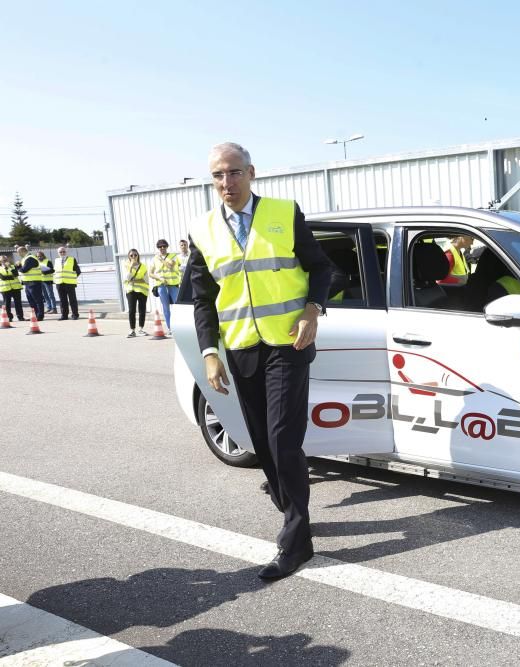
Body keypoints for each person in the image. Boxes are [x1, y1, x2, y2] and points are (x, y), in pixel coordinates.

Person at [189, 142, 336, 580]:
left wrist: (313, 310)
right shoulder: (204, 230)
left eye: (233, 173)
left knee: (282, 438)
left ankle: (295, 543)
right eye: (217, 175)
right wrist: (210, 353)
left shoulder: (283, 213)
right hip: (241, 348)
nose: (226, 183)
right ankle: (295, 510)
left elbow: (322, 268)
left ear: (251, 173)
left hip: (288, 343)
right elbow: (202, 300)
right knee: (262, 442)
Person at [150, 239, 181, 332]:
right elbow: (150, 273)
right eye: (160, 247)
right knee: (166, 308)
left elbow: (170, 266)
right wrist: (159, 279)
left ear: (167, 247)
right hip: (161, 285)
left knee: (177, 306)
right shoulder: (154, 259)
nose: (162, 248)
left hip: (173, 284)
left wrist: (161, 259)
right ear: (158, 248)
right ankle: (170, 328)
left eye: (164, 246)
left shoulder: (173, 256)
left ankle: (179, 326)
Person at [15, 246, 48, 320]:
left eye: (18, 252)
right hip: (28, 283)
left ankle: (40, 316)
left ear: (22, 251)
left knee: (37, 300)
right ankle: (35, 315)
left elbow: (24, 270)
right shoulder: (25, 259)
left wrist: (18, 266)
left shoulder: (30, 258)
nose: (18, 254)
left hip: (34, 282)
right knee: (31, 301)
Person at [122, 249, 149, 337]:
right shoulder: (126, 265)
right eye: (131, 255)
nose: (133, 257)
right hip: (131, 290)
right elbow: (126, 278)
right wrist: (131, 267)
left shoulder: (143, 266)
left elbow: (145, 280)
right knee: (131, 310)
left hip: (142, 290)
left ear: (138, 255)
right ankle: (132, 330)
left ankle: (141, 329)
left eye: (135, 255)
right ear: (129, 257)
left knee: (142, 310)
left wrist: (133, 280)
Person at [54, 246, 82, 320]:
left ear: (66, 252)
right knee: (62, 300)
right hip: (59, 283)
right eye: (60, 252)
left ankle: (75, 315)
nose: (62, 253)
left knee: (72, 300)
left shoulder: (72, 259)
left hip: (69, 283)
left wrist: (72, 278)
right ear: (58, 253)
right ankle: (64, 315)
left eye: (64, 251)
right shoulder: (56, 260)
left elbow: (78, 271)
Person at [1, 255, 26, 321]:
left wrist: (10, 268)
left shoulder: (12, 266)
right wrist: (12, 277)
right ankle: (9, 317)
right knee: (7, 304)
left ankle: (20, 317)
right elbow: (3, 278)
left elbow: (16, 274)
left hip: (16, 287)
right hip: (5, 288)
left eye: (6, 260)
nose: (5, 262)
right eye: (3, 261)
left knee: (18, 303)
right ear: (0, 262)